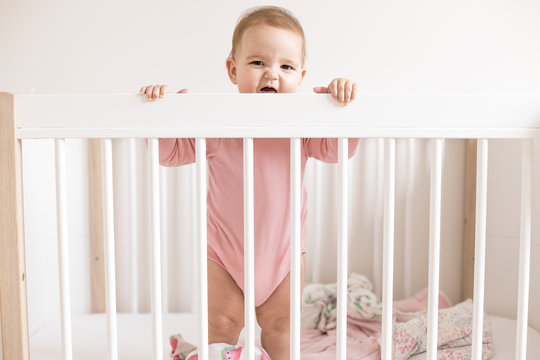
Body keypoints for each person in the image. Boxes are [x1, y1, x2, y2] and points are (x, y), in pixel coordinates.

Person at [140, 6, 359, 359]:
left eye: (286, 66)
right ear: (233, 69)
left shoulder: (301, 126)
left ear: (301, 78)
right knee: (221, 325)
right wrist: (160, 115)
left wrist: (338, 108)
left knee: (281, 329)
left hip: (283, 255)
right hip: (225, 254)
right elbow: (170, 153)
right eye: (258, 62)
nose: (272, 74)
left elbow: (338, 149)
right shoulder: (217, 125)